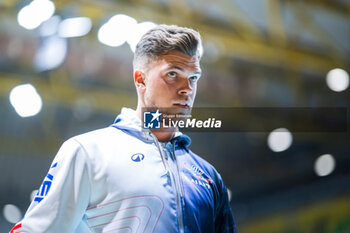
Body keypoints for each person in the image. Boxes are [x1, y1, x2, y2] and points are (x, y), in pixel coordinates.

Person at [10, 24, 237, 233]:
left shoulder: (208, 176)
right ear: (141, 80)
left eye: (193, 77)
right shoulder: (88, 152)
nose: (187, 89)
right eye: (173, 74)